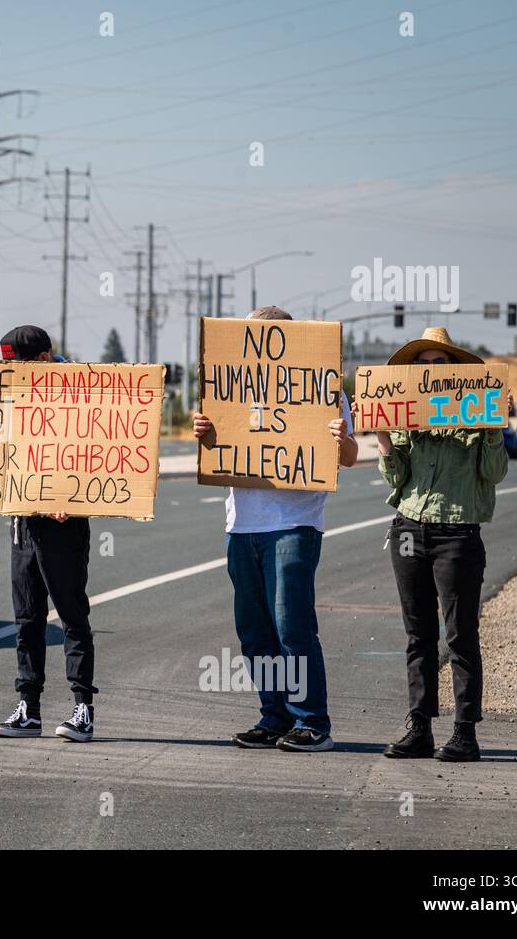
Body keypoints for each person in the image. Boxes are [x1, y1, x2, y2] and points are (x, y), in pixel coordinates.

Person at [192, 306, 357, 753]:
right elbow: (220, 450)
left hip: (294, 525)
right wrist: (205, 432)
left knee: (292, 627)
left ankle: (312, 722)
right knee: (255, 631)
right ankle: (274, 716)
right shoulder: (229, 391)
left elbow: (349, 457)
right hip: (242, 527)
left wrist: (341, 438)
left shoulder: (320, 388)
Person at [0, 325, 97, 742]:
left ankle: (82, 708)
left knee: (71, 615)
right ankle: (28, 709)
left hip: (64, 521)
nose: (15, 372)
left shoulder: (80, 393)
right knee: (27, 619)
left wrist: (74, 496)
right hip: (21, 518)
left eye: (22, 364)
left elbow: (98, 449)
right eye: (9, 365)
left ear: (45, 359)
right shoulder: (7, 394)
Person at [378, 327, 512, 763]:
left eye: (439, 364)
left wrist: (493, 428)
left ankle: (465, 731)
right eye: (423, 364)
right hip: (408, 530)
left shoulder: (476, 417)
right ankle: (419, 727)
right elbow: (396, 478)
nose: (431, 371)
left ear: (453, 370)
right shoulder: (405, 417)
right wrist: (382, 436)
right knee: (418, 635)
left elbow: (493, 474)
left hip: (458, 533)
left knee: (460, 634)